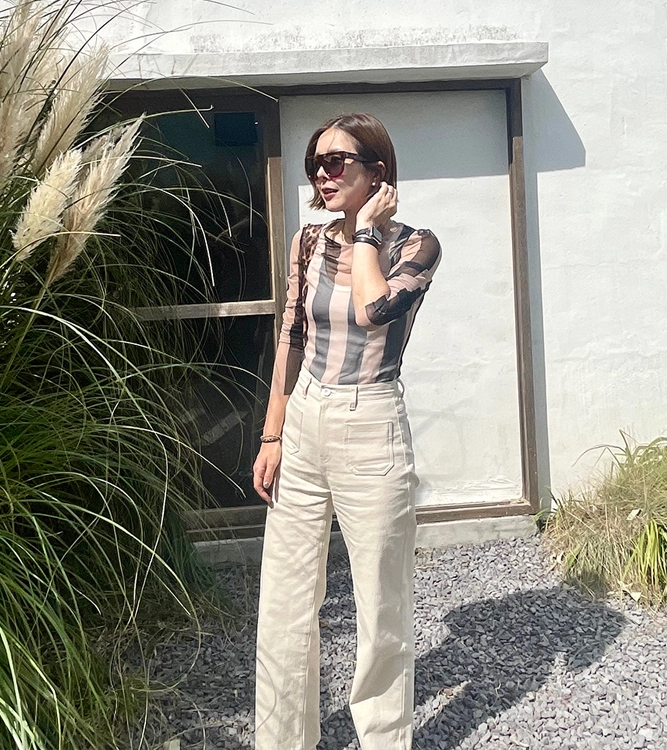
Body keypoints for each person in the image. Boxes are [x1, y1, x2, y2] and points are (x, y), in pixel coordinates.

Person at [252, 112, 442, 750]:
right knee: (284, 602)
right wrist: (272, 435)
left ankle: (384, 740)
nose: (322, 175)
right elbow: (291, 335)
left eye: (336, 162)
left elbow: (373, 310)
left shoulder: (418, 246)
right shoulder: (308, 241)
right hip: (304, 419)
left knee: (380, 607)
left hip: (371, 424)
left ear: (377, 171)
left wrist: (364, 234)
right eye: (316, 164)